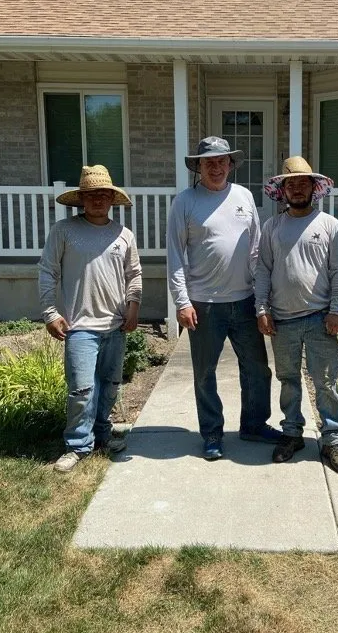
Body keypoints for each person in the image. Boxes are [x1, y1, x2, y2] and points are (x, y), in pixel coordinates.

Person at [167, 136, 281, 461]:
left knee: (257, 369)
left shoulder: (244, 196)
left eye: (221, 161)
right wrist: (182, 301)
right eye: (209, 162)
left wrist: (261, 299)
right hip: (203, 304)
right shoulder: (185, 202)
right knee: (205, 373)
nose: (216, 167)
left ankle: (254, 425)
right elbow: (175, 255)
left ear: (231, 164)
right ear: (198, 166)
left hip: (244, 300)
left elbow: (256, 250)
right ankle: (212, 434)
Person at [39, 165, 142, 473]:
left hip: (115, 324)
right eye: (91, 195)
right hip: (80, 326)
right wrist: (50, 312)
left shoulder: (123, 235)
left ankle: (102, 434)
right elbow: (48, 271)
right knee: (82, 390)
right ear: (81, 199)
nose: (98, 200)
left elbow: (134, 275)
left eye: (104, 195)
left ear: (112, 199)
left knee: (110, 385)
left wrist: (134, 306)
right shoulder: (64, 231)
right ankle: (77, 444)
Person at [255, 157, 338, 474]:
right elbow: (263, 271)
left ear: (314, 187)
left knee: (326, 382)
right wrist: (262, 309)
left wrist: (336, 310)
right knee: (288, 380)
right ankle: (292, 433)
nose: (296, 188)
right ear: (283, 191)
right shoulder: (272, 227)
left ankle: (332, 440)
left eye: (302, 183)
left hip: (320, 318)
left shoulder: (329, 225)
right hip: (283, 320)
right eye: (291, 184)